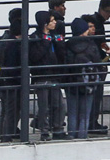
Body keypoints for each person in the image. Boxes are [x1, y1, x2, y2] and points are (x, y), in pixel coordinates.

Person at [29, 11, 66, 140]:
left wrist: (60, 43)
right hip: (41, 76)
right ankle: (44, 131)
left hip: (54, 75)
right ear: (45, 23)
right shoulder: (35, 37)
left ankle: (58, 129)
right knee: (44, 106)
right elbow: (34, 57)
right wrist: (45, 42)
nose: (55, 22)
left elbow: (62, 55)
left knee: (60, 104)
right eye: (52, 20)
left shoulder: (54, 36)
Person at [64, 17, 102, 139]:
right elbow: (98, 63)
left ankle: (71, 136)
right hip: (88, 83)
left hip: (71, 83)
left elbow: (65, 63)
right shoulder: (91, 45)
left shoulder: (68, 45)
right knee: (85, 114)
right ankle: (82, 137)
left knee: (72, 113)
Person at [83, 0, 110, 134]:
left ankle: (91, 122)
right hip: (97, 63)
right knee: (96, 94)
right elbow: (99, 44)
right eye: (108, 11)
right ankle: (92, 122)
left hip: (97, 61)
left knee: (95, 95)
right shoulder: (97, 24)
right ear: (101, 9)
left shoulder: (96, 22)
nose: (109, 15)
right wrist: (108, 54)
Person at [0, 9, 23, 142]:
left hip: (4, 81)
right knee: (11, 108)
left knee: (8, 108)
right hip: (9, 81)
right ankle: (7, 133)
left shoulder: (4, 40)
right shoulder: (11, 43)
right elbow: (10, 64)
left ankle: (8, 131)